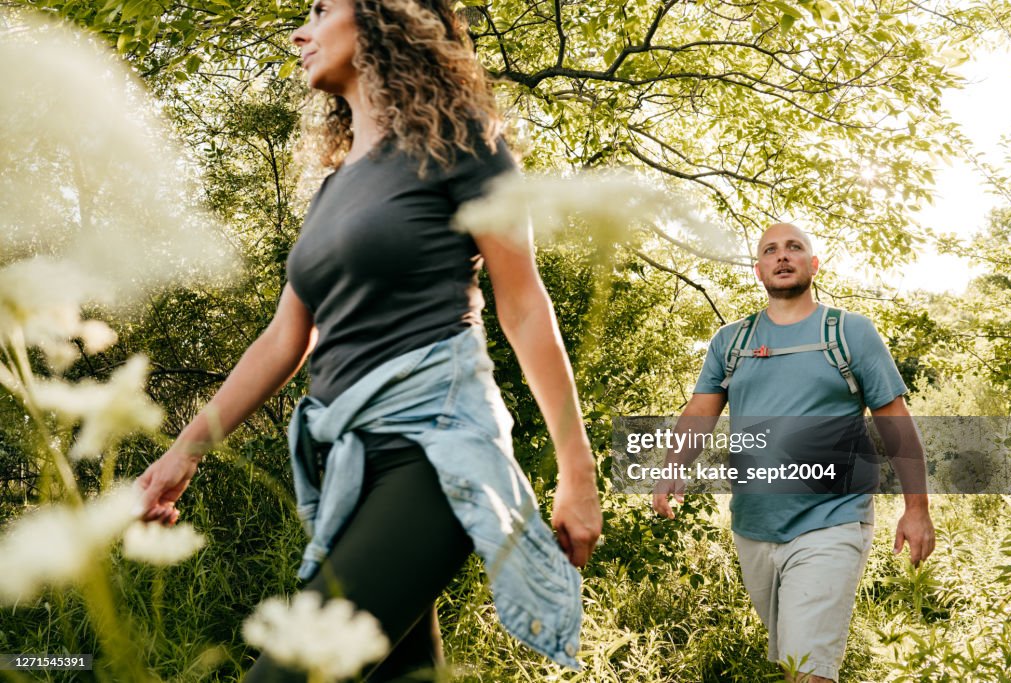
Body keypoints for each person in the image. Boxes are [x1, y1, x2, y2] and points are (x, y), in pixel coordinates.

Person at [134, 0, 602, 680]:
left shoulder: (464, 146)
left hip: (434, 455)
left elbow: (524, 306)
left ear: (387, 17)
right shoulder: (332, 192)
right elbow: (283, 339)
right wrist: (184, 453)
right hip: (349, 471)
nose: (302, 30)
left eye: (323, 8)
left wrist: (577, 471)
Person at [652, 223, 935, 683]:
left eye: (795, 248)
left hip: (833, 521)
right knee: (794, 663)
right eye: (771, 250)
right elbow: (701, 410)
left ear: (813, 264)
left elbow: (895, 421)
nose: (782, 256)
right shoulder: (732, 341)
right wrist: (671, 469)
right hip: (754, 526)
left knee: (809, 670)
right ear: (759, 270)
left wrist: (916, 508)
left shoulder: (850, 333)